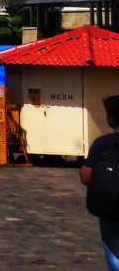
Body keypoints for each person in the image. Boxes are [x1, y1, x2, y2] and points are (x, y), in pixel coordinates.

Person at [81, 93, 119, 270]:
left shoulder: (102, 143)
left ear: (111, 118)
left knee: (114, 255)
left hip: (110, 207)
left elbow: (87, 176)